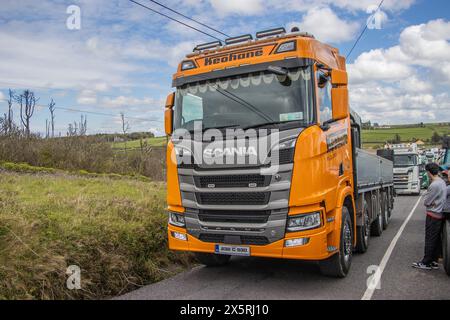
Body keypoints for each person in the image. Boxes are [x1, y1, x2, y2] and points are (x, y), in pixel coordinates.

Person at [412, 163, 447, 270]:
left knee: (430, 239)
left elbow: (427, 202)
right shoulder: (442, 182)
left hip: (433, 215)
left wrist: (431, 203)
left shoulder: (434, 185)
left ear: (428, 172)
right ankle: (434, 261)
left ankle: (426, 262)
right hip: (439, 214)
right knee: (436, 239)